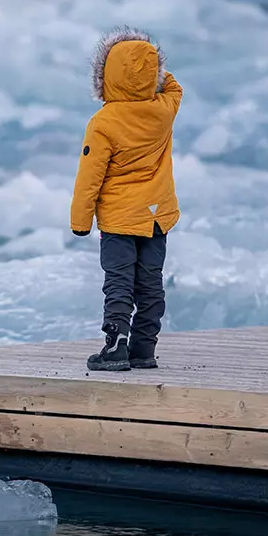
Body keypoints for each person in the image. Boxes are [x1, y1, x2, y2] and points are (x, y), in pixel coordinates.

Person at [70, 28, 183, 371]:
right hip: (156, 218)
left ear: (105, 75)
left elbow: (90, 177)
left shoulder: (103, 122)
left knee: (119, 282)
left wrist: (80, 221)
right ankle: (144, 350)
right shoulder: (164, 109)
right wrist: (150, 71)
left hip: (119, 221)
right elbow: (174, 86)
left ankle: (116, 345)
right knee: (150, 283)